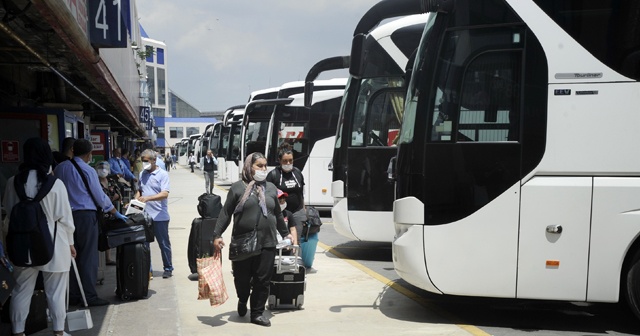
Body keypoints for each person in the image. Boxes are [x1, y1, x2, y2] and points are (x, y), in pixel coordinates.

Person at [2, 137, 76, 336]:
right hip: (54, 244)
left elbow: (9, 213)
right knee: (56, 292)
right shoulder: (55, 184)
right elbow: (66, 218)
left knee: (21, 290)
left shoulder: (12, 182)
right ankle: (59, 331)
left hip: (22, 244)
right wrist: (70, 243)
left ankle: (18, 332)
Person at [213, 152, 292, 327]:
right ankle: (242, 299)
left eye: (265, 165)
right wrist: (217, 235)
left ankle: (256, 313)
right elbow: (225, 213)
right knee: (242, 279)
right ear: (249, 166)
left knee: (262, 280)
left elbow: (277, 214)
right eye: (259, 166)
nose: (264, 169)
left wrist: (286, 234)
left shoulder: (271, 188)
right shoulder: (238, 188)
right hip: (243, 242)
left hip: (268, 241)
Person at [54, 138, 128, 307]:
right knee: (88, 257)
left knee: (70, 256)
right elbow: (99, 196)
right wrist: (115, 212)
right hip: (86, 217)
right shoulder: (88, 170)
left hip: (64, 217)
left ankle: (72, 294)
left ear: (72, 150)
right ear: (89, 154)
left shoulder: (59, 169)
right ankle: (88, 296)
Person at [266, 143, 318, 270]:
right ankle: (274, 266)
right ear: (279, 161)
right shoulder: (273, 175)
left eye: (290, 160)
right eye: (285, 161)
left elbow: (301, 193)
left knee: (296, 241)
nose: (288, 163)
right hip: (280, 213)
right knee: (279, 240)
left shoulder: (298, 173)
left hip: (297, 212)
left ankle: (295, 266)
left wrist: (304, 210)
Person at [135, 149, 173, 278]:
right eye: (142, 161)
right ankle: (148, 269)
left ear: (153, 160)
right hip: (145, 216)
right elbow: (140, 190)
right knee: (144, 244)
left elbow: (165, 194)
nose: (144, 163)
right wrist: (135, 202)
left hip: (160, 216)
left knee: (163, 244)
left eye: (146, 161)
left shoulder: (162, 174)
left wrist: (148, 198)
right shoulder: (142, 174)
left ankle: (168, 268)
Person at [95, 161, 122, 265]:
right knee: (100, 235)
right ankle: (100, 260)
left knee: (109, 235)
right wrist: (110, 198)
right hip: (100, 213)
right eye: (100, 168)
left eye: (105, 168)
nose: (103, 170)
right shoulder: (95, 181)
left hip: (111, 212)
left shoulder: (111, 180)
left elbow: (118, 193)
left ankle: (108, 258)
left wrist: (116, 196)